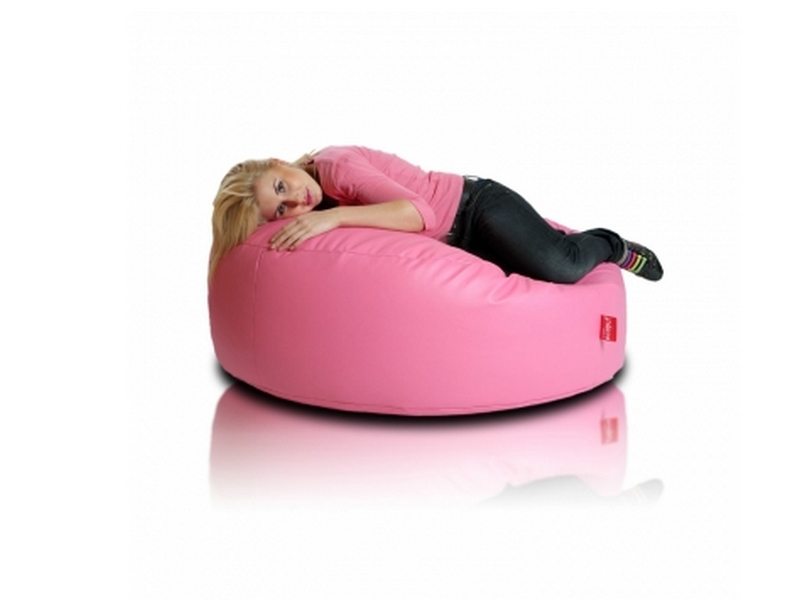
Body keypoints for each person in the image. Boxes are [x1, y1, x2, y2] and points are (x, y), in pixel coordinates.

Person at [209, 145, 663, 285]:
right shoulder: (312, 205)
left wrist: (335, 217)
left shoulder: (335, 167)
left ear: (280, 162)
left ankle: (611, 245)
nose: (296, 202)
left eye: (282, 186)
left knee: (559, 267)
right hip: (454, 243)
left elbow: (419, 214)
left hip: (475, 208)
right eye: (281, 209)